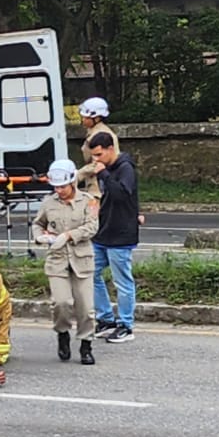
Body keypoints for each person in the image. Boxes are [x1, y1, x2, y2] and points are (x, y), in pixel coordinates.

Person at [32, 158, 99, 366]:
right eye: (56, 187)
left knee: (86, 307)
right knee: (61, 303)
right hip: (57, 260)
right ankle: (62, 334)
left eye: (62, 186)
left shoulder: (88, 201)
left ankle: (86, 344)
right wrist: (40, 237)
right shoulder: (48, 203)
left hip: (82, 259)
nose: (59, 190)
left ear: (72, 183)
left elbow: (92, 227)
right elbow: (37, 224)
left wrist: (69, 235)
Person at [87, 130, 140, 342]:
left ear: (110, 149)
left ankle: (126, 325)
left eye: (99, 155)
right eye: (94, 156)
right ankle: (106, 318)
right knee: (91, 273)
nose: (96, 160)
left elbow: (121, 194)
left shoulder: (125, 168)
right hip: (103, 231)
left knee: (122, 281)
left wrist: (104, 174)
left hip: (121, 234)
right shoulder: (107, 169)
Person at [75, 96, 119, 199]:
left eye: (86, 117)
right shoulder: (93, 132)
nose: (83, 119)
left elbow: (98, 162)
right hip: (95, 182)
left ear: (97, 118)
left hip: (100, 186)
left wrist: (78, 175)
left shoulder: (101, 135)